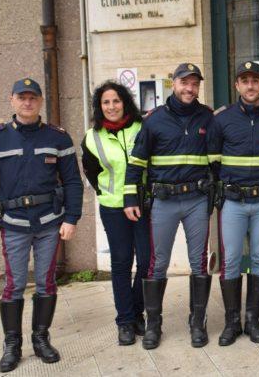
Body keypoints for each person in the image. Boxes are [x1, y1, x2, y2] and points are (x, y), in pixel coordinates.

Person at [0, 78, 83, 373]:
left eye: (33, 97)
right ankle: (12, 344)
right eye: (22, 97)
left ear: (41, 101)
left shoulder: (58, 137)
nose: (28, 102)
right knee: (14, 285)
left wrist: (72, 218)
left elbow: (72, 181)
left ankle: (41, 339)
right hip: (14, 224)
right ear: (12, 100)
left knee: (46, 282)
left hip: (48, 223)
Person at [123, 63, 216, 350]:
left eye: (194, 84)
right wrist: (129, 198)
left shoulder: (208, 117)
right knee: (157, 263)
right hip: (163, 201)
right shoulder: (153, 120)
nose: (189, 88)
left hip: (197, 201)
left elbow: (216, 162)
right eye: (184, 82)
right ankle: (154, 326)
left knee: (199, 262)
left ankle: (197, 323)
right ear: (173, 83)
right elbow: (136, 162)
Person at [212, 61, 259, 346]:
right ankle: (232, 323)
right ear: (237, 85)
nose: (250, 85)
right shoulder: (222, 119)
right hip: (233, 202)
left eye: (255, 80)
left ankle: (252, 319)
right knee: (230, 260)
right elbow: (212, 161)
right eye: (245, 81)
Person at [81, 81, 150, 346]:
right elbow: (90, 170)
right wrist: (106, 193)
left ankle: (137, 313)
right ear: (99, 107)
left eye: (116, 101)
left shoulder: (142, 127)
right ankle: (125, 321)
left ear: (125, 102)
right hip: (113, 207)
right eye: (106, 102)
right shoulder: (92, 136)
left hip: (143, 205)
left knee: (146, 261)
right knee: (121, 262)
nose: (112, 106)